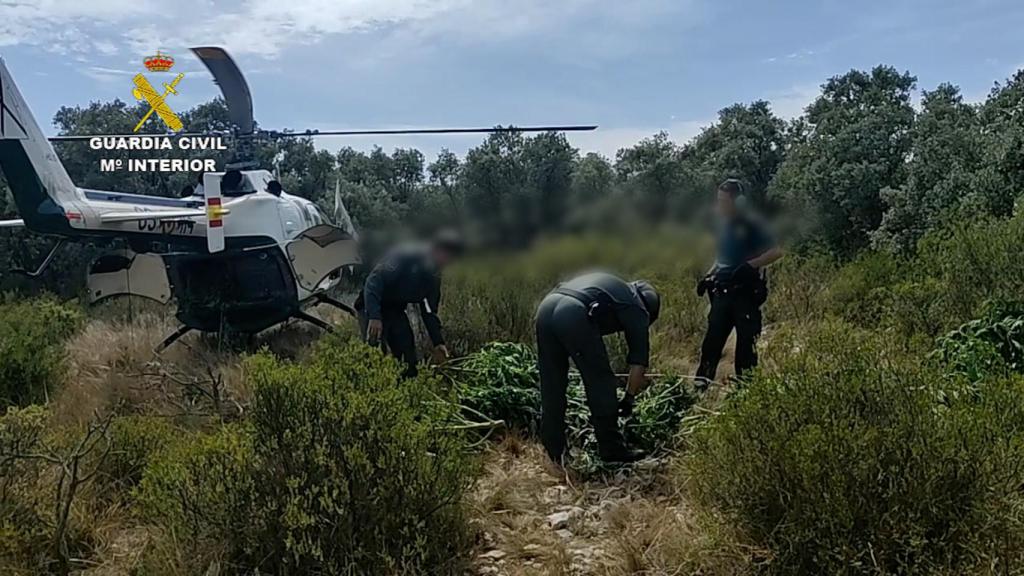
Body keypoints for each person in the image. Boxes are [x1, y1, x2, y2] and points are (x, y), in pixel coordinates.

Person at [535, 272, 660, 465]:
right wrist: (628, 398)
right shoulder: (639, 308)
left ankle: (554, 451)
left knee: (552, 383)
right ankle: (612, 448)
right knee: (600, 380)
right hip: (573, 313)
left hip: (547, 306)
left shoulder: (618, 289)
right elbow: (639, 364)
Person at [695, 179, 783, 385]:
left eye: (724, 201)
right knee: (710, 346)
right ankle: (699, 390)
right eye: (719, 200)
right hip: (721, 295)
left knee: (745, 350)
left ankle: (745, 396)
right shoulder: (724, 225)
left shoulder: (753, 224)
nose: (720, 205)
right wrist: (709, 276)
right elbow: (722, 257)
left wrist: (750, 266)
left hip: (745, 295)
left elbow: (776, 251)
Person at [355, 230, 464, 377]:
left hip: (396, 311)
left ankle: (407, 389)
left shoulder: (433, 276)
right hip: (372, 306)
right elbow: (374, 281)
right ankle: (373, 392)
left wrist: (438, 342)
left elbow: (429, 311)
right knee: (374, 355)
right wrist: (374, 316)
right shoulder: (406, 256)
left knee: (407, 355)